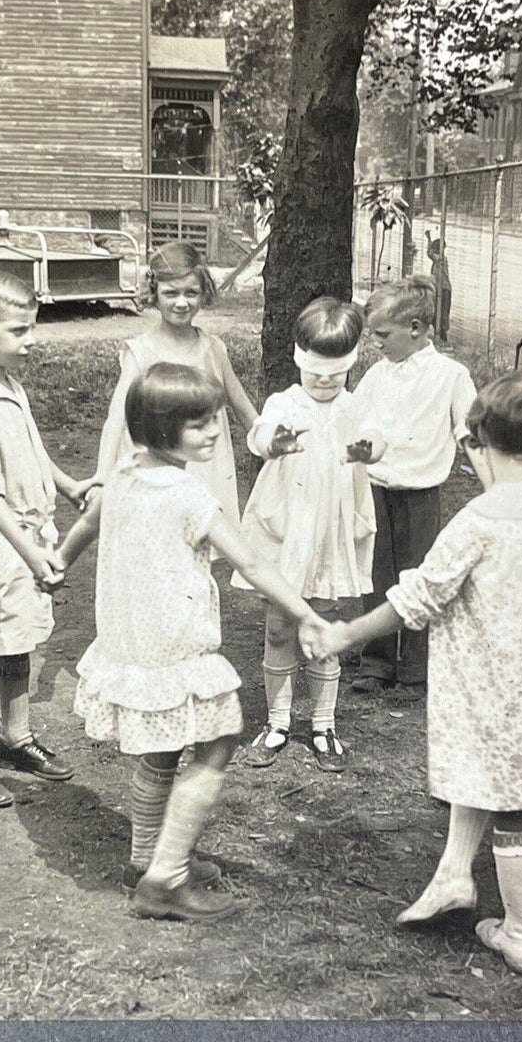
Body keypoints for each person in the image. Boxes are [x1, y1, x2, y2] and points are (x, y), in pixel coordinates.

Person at [307, 371, 522, 975]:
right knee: (489, 776)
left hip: (499, 685)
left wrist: (344, 633)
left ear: (479, 437)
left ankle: (520, 933)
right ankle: (454, 876)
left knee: (511, 805)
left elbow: (415, 600)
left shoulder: (480, 521)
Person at [58, 364, 330, 922]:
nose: (212, 434)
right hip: (175, 645)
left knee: (162, 749)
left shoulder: (125, 472)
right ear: (159, 429)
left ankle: (142, 860)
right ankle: (167, 877)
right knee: (221, 738)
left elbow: (89, 522)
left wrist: (58, 562)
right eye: (198, 425)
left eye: (215, 422)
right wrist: (304, 613)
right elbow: (251, 561)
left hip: (134, 641)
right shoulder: (189, 494)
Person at [0, 267, 95, 809]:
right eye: (20, 332)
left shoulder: (9, 385)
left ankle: (16, 737)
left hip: (29, 534)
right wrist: (32, 555)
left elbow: (33, 450)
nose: (32, 341)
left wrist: (70, 485)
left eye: (33, 328)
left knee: (22, 643)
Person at [233, 296, 375, 772]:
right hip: (286, 530)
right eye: (315, 371)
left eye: (335, 373)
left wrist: (370, 450)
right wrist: (271, 442)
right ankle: (277, 722)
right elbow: (259, 433)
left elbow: (380, 438)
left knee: (324, 627)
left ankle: (323, 723)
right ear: (298, 358)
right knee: (278, 624)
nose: (324, 380)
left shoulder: (356, 407)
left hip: (331, 534)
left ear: (350, 365)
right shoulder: (284, 403)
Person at [346, 277, 477, 695]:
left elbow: (469, 431)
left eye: (383, 335)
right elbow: (358, 418)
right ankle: (377, 660)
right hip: (377, 488)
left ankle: (416, 666)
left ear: (417, 328)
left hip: (420, 492)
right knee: (377, 571)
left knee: (420, 574)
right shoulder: (377, 375)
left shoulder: (451, 375)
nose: (377, 344)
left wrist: (495, 482)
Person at [92, 240, 257, 529]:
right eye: (171, 293)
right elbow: (117, 419)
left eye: (191, 293)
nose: (182, 302)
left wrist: (268, 438)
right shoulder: (141, 351)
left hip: (206, 466)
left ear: (203, 293)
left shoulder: (213, 348)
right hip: (158, 469)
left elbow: (244, 409)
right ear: (154, 294)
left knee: (204, 540)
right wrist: (101, 478)